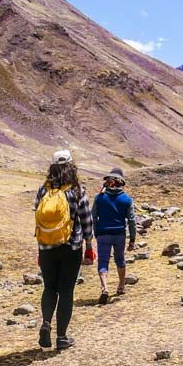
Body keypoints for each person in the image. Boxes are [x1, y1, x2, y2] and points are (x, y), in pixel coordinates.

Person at [33, 150, 94, 351]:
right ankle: (61, 337)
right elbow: (86, 220)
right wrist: (89, 247)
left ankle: (46, 323)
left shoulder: (43, 191)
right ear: (71, 166)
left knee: (49, 287)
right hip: (71, 247)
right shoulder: (77, 191)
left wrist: (40, 249)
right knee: (66, 290)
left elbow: (38, 219)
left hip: (46, 248)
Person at [91, 167, 137, 304]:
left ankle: (105, 288)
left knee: (103, 261)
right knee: (120, 259)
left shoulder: (99, 198)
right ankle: (121, 286)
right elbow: (131, 220)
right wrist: (132, 239)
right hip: (119, 234)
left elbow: (94, 216)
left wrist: (96, 232)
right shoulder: (126, 200)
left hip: (103, 234)